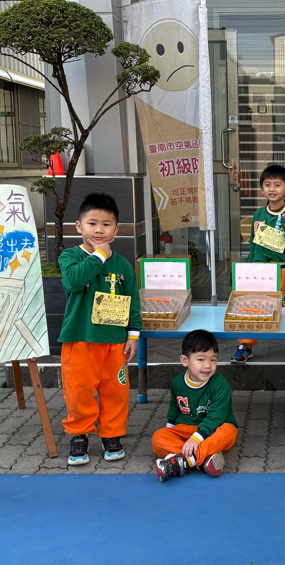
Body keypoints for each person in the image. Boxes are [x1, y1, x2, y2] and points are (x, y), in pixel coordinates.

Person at [58, 192, 142, 466]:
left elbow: (132, 301)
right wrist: (99, 256)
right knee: (79, 390)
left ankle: (111, 435)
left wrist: (132, 335)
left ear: (116, 230)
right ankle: (79, 434)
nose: (99, 230)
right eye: (92, 223)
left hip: (114, 341)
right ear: (78, 226)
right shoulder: (70, 256)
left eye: (106, 224)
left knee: (115, 391)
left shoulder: (124, 265)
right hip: (80, 338)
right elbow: (73, 281)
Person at [233, 165, 285, 363]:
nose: (272, 189)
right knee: (252, 306)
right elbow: (254, 244)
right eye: (267, 185)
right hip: (261, 270)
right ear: (262, 189)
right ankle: (246, 344)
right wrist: (249, 267)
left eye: (278, 185)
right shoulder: (258, 215)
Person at [153, 330, 238, 482]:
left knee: (229, 432)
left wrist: (196, 439)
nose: (208, 365)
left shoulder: (220, 384)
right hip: (187, 429)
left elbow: (216, 417)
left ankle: (185, 462)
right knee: (158, 438)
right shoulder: (177, 382)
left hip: (214, 429)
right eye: (201, 359)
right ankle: (203, 460)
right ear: (185, 360)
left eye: (213, 360)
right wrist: (170, 432)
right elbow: (174, 410)